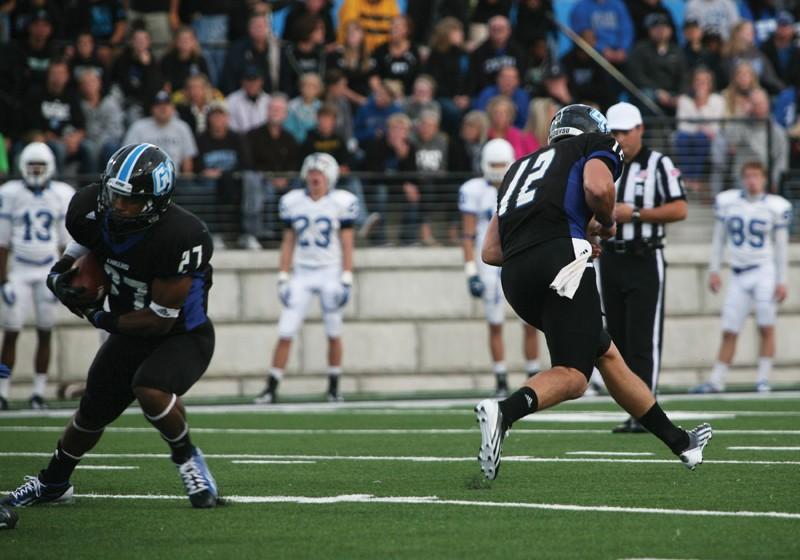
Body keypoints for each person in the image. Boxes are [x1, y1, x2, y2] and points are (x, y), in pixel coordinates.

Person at [473, 104, 712, 481]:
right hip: (561, 263)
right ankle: (504, 411)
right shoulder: (595, 145)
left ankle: (681, 442)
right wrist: (602, 222)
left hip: (516, 278)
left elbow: (490, 252)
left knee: (605, 351)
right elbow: (598, 187)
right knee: (574, 375)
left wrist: (571, 236)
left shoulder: (519, 167)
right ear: (593, 130)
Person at [0, 143, 219, 508]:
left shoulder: (181, 236)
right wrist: (60, 272)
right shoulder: (89, 208)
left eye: (130, 201)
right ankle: (53, 482)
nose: (117, 206)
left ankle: (187, 458)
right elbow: (84, 242)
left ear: (155, 203)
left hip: (181, 333)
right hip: (127, 328)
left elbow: (159, 320)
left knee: (149, 386)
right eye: (113, 195)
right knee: (91, 411)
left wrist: (99, 316)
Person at [598, 102, 688, 433]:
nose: (620, 138)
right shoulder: (604, 165)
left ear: (640, 130)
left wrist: (635, 214)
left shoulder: (658, 163)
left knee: (643, 338)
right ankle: (633, 410)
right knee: (617, 340)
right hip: (610, 257)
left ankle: (645, 412)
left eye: (625, 131)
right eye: (614, 132)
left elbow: (680, 209)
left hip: (645, 257)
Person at [255, 153, 358, 404]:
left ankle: (334, 386)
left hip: (330, 272)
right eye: (311, 172)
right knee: (286, 330)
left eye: (320, 173)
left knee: (334, 330)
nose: (315, 177)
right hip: (302, 272)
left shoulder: (340, 202)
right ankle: (271, 386)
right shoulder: (293, 202)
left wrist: (346, 276)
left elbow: (347, 242)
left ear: (330, 177)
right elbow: (288, 241)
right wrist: (283, 274)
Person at [693, 160, 791, 394]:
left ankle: (763, 378)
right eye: (748, 176)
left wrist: (782, 280)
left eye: (756, 175)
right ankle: (717, 380)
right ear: (742, 178)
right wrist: (714, 270)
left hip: (764, 270)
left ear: (765, 178)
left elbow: (781, 247)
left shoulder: (776, 206)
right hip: (738, 273)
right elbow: (719, 239)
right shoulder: (729, 202)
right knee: (729, 328)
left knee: (766, 326)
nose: (752, 180)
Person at [459, 139, 541, 397]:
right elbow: (468, 234)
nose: (496, 170)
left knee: (530, 322)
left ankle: (533, 374)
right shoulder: (474, 190)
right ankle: (501, 377)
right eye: (492, 164)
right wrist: (470, 271)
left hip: (517, 258)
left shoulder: (523, 186)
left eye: (500, 164)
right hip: (488, 264)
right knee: (495, 323)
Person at [0, 143, 74, 411]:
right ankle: (3, 391)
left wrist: (65, 276)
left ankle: (38, 392)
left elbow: (66, 244)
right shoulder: (10, 194)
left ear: (50, 167)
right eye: (32, 166)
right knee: (10, 333)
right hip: (19, 270)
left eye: (40, 167)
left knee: (45, 331)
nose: (35, 171)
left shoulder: (61, 195)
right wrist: (3, 281)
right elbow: (3, 241)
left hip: (47, 269)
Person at [244, 94, 301, 247]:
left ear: (286, 114)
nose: (275, 112)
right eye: (272, 108)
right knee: (261, 187)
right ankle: (258, 234)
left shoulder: (290, 138)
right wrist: (270, 178)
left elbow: (294, 164)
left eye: (279, 109)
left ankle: (294, 232)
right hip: (262, 180)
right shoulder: (253, 135)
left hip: (286, 181)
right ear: (267, 111)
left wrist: (285, 178)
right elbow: (249, 163)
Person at [123, 91, 198, 174]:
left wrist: (185, 183)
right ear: (152, 109)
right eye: (158, 105)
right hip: (144, 179)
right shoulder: (138, 127)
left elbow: (187, 160)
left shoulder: (182, 127)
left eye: (166, 105)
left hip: (175, 179)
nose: (163, 108)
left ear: (173, 108)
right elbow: (129, 156)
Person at [628, 13, 688, 115]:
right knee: (646, 95)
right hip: (650, 91)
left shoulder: (677, 51)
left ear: (670, 31)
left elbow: (684, 76)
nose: (661, 31)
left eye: (664, 27)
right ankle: (650, 129)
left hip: (672, 93)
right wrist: (657, 91)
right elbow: (637, 75)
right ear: (650, 31)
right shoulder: (641, 49)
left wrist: (680, 94)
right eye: (656, 28)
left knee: (686, 100)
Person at [467, 16, 526, 96]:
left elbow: (521, 74)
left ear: (509, 31)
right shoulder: (479, 52)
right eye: (494, 29)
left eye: (501, 29)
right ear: (489, 31)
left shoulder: (518, 51)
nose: (498, 33)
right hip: (488, 90)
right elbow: (476, 77)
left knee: (522, 95)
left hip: (513, 90)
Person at [225, 66, 270, 134]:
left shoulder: (269, 101)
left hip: (263, 141)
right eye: (248, 80)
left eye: (255, 80)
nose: (252, 84)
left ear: (261, 81)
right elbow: (230, 127)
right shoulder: (231, 100)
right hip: (239, 141)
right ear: (242, 82)